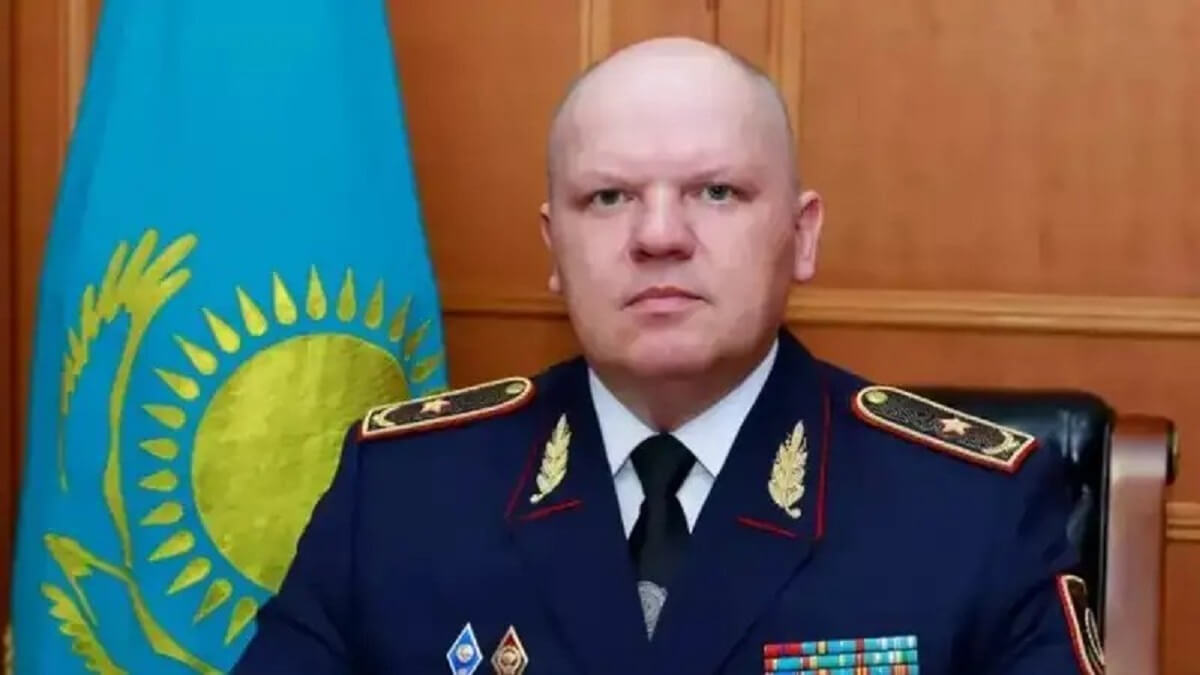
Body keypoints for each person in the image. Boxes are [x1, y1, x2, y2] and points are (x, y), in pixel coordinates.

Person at [233, 37, 1104, 674]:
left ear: (801, 236)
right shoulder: (403, 491)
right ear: (554, 245)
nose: (659, 236)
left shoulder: (968, 510)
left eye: (715, 192)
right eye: (608, 197)